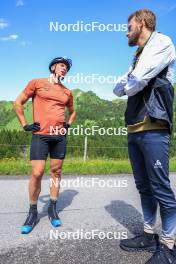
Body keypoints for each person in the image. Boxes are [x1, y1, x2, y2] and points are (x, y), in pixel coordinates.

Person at [113, 9, 176, 264]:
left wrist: (130, 80)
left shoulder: (162, 42)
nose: (126, 31)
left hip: (154, 127)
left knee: (160, 188)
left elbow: (138, 80)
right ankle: (149, 235)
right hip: (135, 128)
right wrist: (130, 80)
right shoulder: (136, 55)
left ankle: (169, 246)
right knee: (143, 187)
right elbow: (118, 88)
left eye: (129, 26)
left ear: (141, 23)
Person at [13, 57, 76, 234]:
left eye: (67, 68)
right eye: (62, 65)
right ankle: (33, 211)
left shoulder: (67, 92)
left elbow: (73, 112)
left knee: (56, 172)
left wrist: (68, 125)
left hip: (59, 137)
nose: (65, 69)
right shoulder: (37, 83)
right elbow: (18, 102)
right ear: (53, 67)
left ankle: (52, 208)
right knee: (37, 172)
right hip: (40, 136)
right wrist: (25, 124)